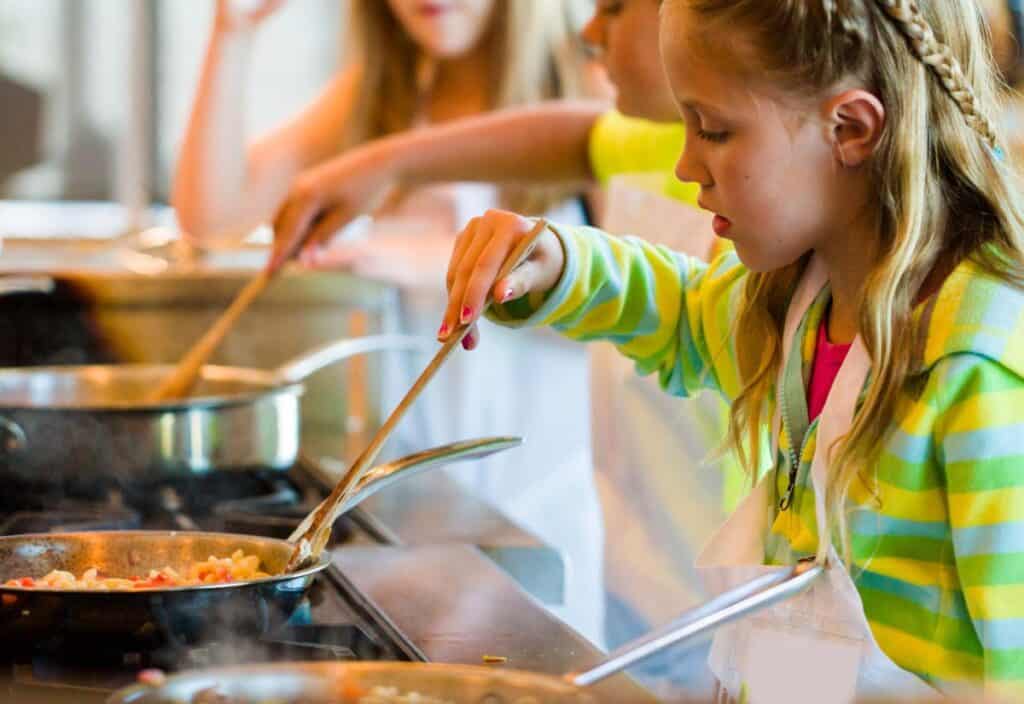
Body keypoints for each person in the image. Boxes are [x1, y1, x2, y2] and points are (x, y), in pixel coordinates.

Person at [439, 0, 1024, 698]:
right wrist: (560, 263)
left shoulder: (979, 372)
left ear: (851, 129)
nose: (687, 165)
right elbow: (686, 311)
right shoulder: (809, 302)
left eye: (713, 130)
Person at [172, 0, 606, 645]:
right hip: (412, 498)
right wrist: (230, 31)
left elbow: (645, 283)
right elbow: (212, 214)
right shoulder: (389, 93)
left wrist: (419, 261)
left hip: (539, 491)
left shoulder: (587, 87)